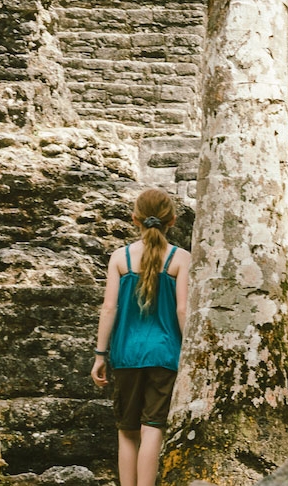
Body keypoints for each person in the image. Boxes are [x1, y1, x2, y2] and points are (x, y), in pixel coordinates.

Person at [90, 188, 191, 486]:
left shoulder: (119, 257)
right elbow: (183, 310)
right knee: (153, 428)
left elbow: (109, 308)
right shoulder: (180, 258)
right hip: (166, 353)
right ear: (172, 220)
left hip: (126, 354)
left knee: (127, 430)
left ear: (134, 219)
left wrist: (100, 355)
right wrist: (188, 354)